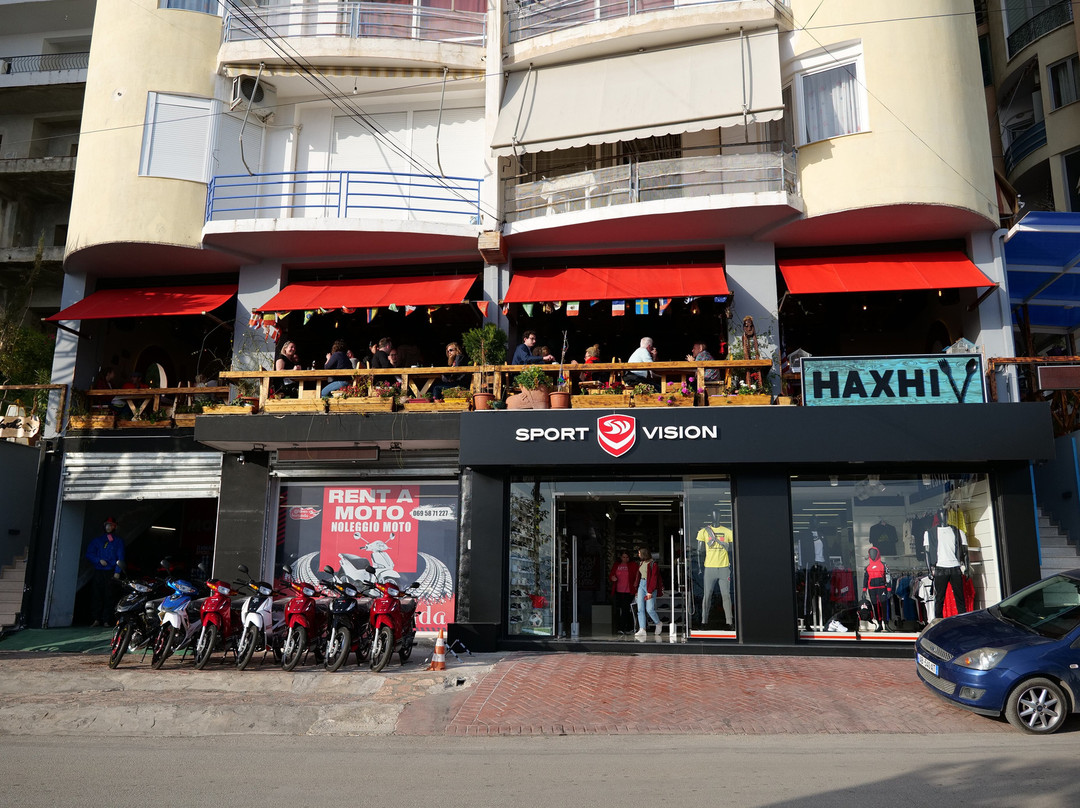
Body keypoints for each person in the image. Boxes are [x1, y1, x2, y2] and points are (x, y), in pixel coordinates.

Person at [85, 517, 125, 626]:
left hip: (110, 571)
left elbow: (120, 557)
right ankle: (96, 619)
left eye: (111, 525)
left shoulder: (118, 541)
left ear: (114, 527)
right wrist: (98, 560)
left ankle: (107, 620)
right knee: (96, 595)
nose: (108, 527)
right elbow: (89, 554)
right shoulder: (97, 540)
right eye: (107, 525)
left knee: (109, 595)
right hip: (99, 571)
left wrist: (117, 571)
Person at [696, 521, 733, 628]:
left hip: (724, 567)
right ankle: (704, 621)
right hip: (709, 568)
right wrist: (700, 568)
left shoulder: (727, 532)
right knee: (707, 595)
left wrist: (731, 567)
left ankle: (729, 622)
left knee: (726, 596)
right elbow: (699, 551)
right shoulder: (704, 532)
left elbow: (732, 551)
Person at [634, 546, 664, 638]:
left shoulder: (653, 564)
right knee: (640, 608)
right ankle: (642, 629)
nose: (638, 555)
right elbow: (639, 576)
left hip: (650, 585)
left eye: (639, 553)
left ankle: (658, 623)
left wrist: (650, 591)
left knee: (650, 609)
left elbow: (654, 578)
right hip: (641, 584)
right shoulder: (641, 563)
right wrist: (637, 589)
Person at [609, 550, 639, 635]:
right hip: (619, 591)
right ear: (620, 557)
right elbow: (611, 574)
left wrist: (636, 588)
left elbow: (637, 576)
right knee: (623, 609)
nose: (625, 559)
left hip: (629, 591)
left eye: (627, 557)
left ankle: (622, 627)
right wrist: (612, 578)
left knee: (625, 609)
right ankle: (629, 627)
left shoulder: (633, 565)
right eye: (623, 557)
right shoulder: (616, 565)